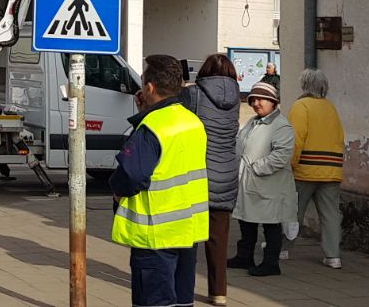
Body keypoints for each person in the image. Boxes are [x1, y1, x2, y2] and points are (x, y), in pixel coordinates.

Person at [110, 54, 210, 307]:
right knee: (182, 300)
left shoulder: (153, 126)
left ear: (150, 87)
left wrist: (117, 191)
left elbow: (131, 174)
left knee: (154, 301)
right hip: (187, 229)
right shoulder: (193, 121)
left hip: (155, 233)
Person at [180, 54, 241, 306]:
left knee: (190, 237)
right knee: (218, 239)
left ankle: (184, 288)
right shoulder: (236, 97)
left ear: (203, 72)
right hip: (226, 172)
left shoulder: (194, 94)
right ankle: (218, 293)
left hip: (199, 172)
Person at [229, 81, 297, 277]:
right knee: (246, 221)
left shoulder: (281, 126)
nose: (257, 103)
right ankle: (244, 257)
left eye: (262, 99)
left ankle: (270, 263)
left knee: (271, 224)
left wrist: (256, 168)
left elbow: (281, 155)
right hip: (250, 184)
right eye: (253, 100)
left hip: (269, 186)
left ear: (273, 102)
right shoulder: (252, 122)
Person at [288, 68, 345, 269]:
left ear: (304, 85)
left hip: (305, 169)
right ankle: (333, 256)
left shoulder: (300, 106)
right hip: (331, 170)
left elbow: (295, 139)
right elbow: (339, 138)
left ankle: (283, 248)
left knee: (293, 211)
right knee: (330, 215)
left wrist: (290, 165)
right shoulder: (331, 108)